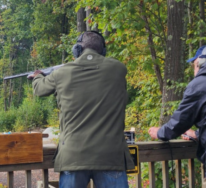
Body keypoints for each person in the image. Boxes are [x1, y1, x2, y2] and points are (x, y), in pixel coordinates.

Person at [28, 31, 134, 188]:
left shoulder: (61, 73)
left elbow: (39, 89)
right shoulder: (118, 69)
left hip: (73, 157)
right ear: (103, 51)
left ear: (77, 50)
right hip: (111, 157)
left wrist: (37, 75)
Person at [148, 44, 206, 188]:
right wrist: (198, 134)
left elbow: (179, 122)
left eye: (195, 65)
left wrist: (160, 132)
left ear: (201, 62)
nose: (194, 69)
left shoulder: (199, 84)